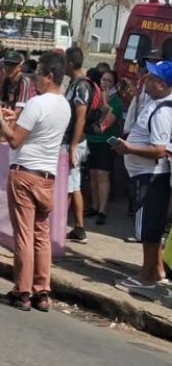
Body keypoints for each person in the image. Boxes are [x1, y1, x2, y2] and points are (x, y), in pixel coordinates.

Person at [0, 50, 70, 312]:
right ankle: (42, 291)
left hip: (25, 173)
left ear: (49, 76)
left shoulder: (38, 103)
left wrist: (3, 121)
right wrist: (17, 119)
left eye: (39, 74)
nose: (35, 79)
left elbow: (14, 139)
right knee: (41, 235)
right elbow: (37, 129)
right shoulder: (64, 105)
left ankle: (22, 291)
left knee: (24, 236)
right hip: (47, 177)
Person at [111, 60, 172, 298]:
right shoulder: (155, 102)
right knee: (150, 228)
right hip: (144, 175)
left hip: (152, 177)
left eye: (152, 77)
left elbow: (159, 150)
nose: (146, 78)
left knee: (149, 229)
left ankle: (146, 278)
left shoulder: (164, 112)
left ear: (162, 84)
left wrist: (130, 150)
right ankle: (155, 270)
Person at [84, 69, 125, 226]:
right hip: (92, 140)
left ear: (114, 84)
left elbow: (105, 124)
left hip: (106, 142)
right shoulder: (95, 97)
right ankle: (94, 206)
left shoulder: (115, 102)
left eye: (109, 80)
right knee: (93, 174)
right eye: (103, 80)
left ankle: (102, 210)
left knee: (102, 175)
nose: (105, 83)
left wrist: (105, 105)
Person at [62, 46, 91, 243]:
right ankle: (78, 228)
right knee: (73, 184)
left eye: (65, 61)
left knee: (70, 186)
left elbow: (80, 119)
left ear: (70, 64)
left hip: (75, 142)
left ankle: (67, 226)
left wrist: (72, 147)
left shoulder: (81, 86)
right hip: (72, 141)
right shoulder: (74, 83)